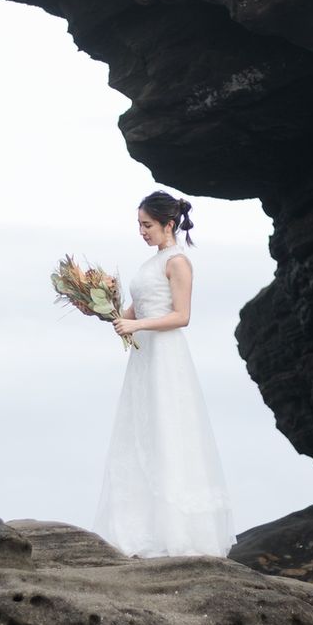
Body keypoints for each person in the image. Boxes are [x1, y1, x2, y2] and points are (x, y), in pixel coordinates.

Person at [93, 190, 235, 557]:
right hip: (144, 357)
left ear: (168, 224)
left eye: (147, 225)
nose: (142, 231)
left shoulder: (178, 262)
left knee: (168, 430)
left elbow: (181, 316)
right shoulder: (151, 263)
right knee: (140, 430)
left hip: (166, 354)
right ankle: (139, 530)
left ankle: (179, 534)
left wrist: (135, 325)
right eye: (139, 225)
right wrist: (98, 305)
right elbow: (131, 311)